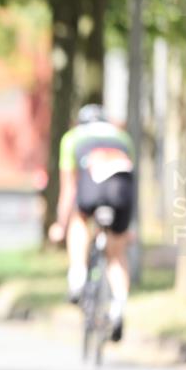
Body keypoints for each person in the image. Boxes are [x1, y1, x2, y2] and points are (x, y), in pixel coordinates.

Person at [48, 103, 135, 342]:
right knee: (116, 255)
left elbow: (69, 190)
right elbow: (131, 182)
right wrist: (129, 227)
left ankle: (77, 274)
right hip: (121, 195)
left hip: (91, 190)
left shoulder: (73, 138)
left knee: (79, 217)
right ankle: (118, 306)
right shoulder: (122, 138)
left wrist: (60, 225)